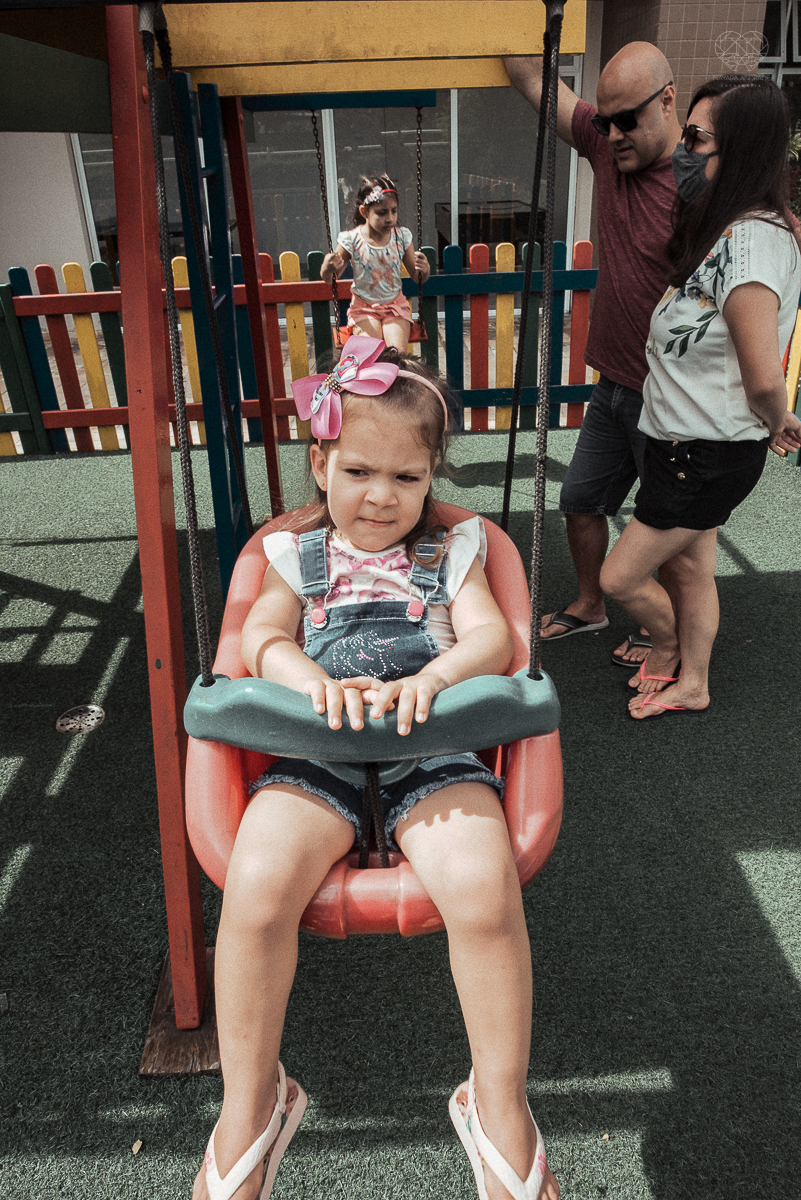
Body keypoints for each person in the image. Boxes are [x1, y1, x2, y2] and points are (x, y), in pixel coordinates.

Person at [193, 337, 560, 1200]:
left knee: (482, 886)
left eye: (406, 478)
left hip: (430, 748)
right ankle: (251, 1099)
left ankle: (496, 1100)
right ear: (319, 461)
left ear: (432, 472)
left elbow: (492, 639)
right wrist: (312, 684)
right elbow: (260, 638)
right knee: (253, 887)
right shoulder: (291, 555)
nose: (380, 497)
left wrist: (433, 679)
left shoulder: (453, 553)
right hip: (317, 751)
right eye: (358, 470)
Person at [598, 75, 801, 719]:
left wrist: (778, 419)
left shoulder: (754, 239)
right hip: (685, 442)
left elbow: (763, 372)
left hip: (704, 451)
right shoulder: (727, 232)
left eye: (695, 137)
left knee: (620, 577)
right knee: (690, 571)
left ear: (739, 150)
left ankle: (666, 645)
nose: (681, 150)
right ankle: (693, 679)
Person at [505, 44, 682, 666]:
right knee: (580, 502)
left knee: (675, 539)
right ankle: (590, 604)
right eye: (603, 122)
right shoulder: (610, 146)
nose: (611, 135)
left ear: (667, 101)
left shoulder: (704, 186)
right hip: (613, 385)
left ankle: (674, 641)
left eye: (627, 120)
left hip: (674, 402)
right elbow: (533, 78)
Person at [321, 174, 431, 354]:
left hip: (395, 307)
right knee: (371, 356)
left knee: (396, 355)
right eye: (381, 213)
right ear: (365, 212)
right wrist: (327, 268)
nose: (390, 218)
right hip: (363, 308)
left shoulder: (401, 237)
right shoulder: (351, 239)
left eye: (394, 211)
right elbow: (329, 279)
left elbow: (417, 276)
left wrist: (424, 271)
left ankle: (395, 381)